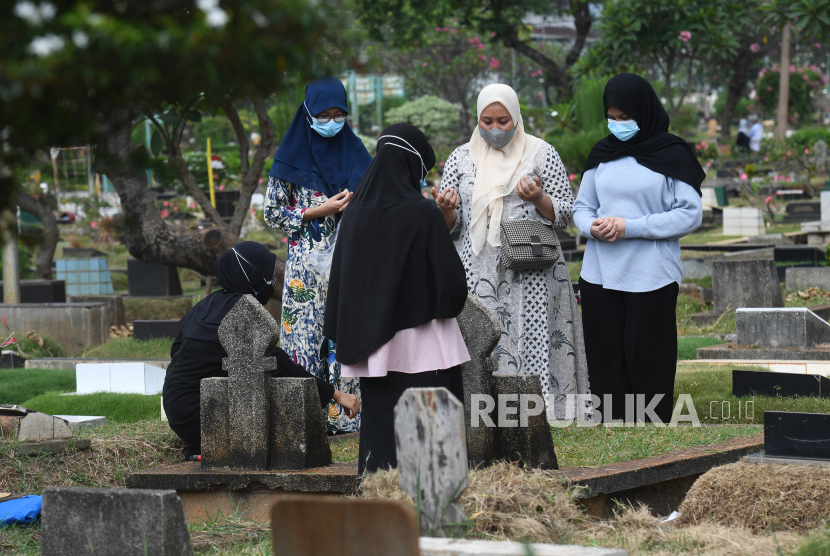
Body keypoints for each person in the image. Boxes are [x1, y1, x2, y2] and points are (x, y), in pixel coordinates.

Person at [435, 84, 590, 421]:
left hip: (530, 269)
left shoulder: (541, 153)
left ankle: (538, 412)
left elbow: (566, 213)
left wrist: (537, 198)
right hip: (477, 271)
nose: (495, 129)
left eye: (503, 121)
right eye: (487, 121)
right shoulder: (461, 158)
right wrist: (445, 209)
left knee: (531, 335)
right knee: (482, 338)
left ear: (516, 117)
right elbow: (452, 224)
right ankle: (483, 415)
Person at [324, 123, 470, 474]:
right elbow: (451, 286)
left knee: (382, 430)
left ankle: (379, 494)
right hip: (426, 343)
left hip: (375, 347)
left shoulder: (353, 214)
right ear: (413, 166)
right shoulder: (423, 213)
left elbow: (343, 279)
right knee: (431, 430)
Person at [572, 73, 704, 424]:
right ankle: (611, 419)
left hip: (651, 273)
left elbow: (689, 214)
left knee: (648, 353)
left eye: (625, 117)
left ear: (644, 112)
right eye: (611, 117)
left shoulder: (672, 153)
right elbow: (582, 206)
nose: (618, 124)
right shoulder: (602, 154)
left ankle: (650, 419)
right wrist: (592, 227)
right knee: (605, 351)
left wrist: (630, 227)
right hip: (600, 272)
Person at [162, 241, 360, 459]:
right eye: (269, 278)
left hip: (176, 408)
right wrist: (335, 394)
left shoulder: (208, 303)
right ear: (252, 276)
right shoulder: (242, 311)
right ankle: (220, 450)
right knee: (278, 401)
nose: (271, 283)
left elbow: (177, 351)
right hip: (205, 414)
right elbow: (277, 363)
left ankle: (203, 449)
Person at [264, 77, 372, 434]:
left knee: (347, 338)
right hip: (305, 271)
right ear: (308, 113)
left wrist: (358, 208)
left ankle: (346, 419)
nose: (331, 122)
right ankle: (305, 418)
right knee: (303, 341)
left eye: (339, 114)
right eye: (323, 115)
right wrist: (317, 211)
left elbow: (378, 202)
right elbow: (271, 213)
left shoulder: (356, 153)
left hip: (349, 264)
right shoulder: (290, 159)